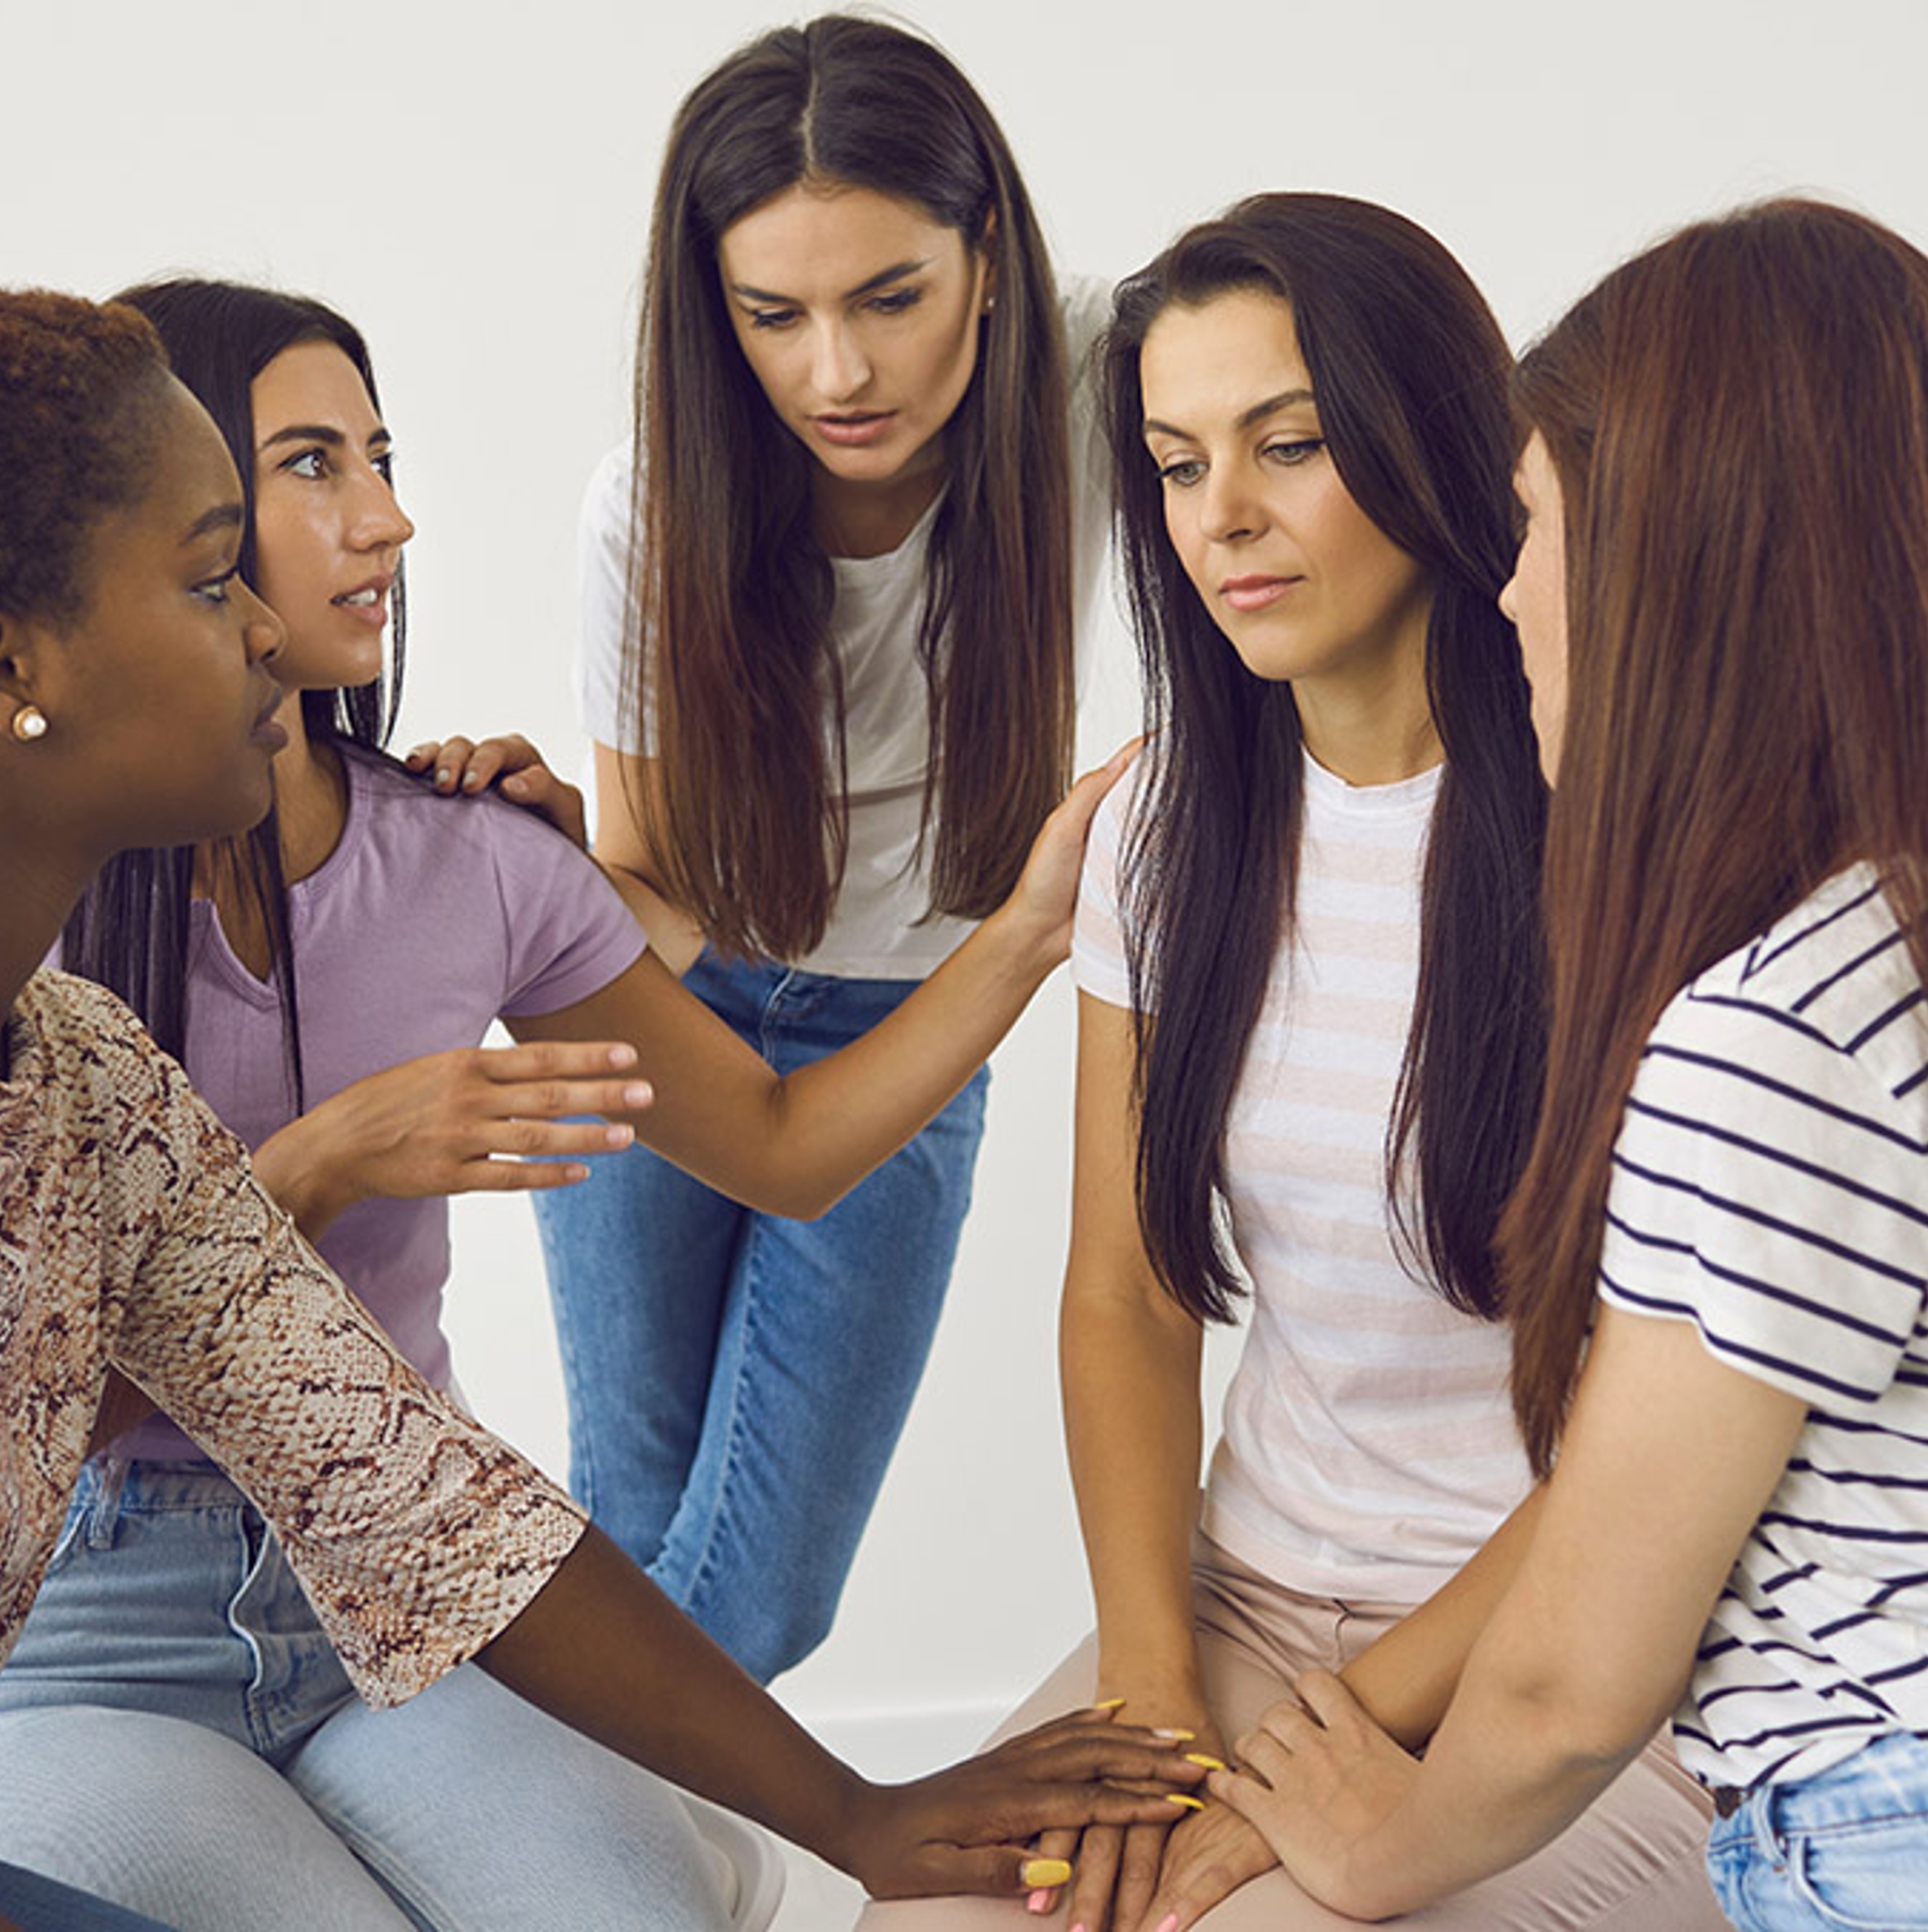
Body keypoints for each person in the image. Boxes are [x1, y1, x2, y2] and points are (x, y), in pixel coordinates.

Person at [0, 287, 1198, 1931]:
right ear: (3, 668)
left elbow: (418, 1496)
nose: (273, 629)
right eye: (211, 574)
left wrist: (864, 1817)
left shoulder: (78, 1076)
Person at [0, 275, 1132, 1932]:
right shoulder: (8, 909)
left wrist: (1029, 931)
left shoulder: (472, 856)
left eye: (381, 456)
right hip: (83, 1631)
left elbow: (785, 1152)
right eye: (312, 465)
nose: (388, 518)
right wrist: (324, 1162)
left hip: (396, 1593)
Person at [1205, 199, 1928, 1932]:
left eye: (1536, 525)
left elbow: (1576, 1682)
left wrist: (1383, 1844)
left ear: (1678, 564)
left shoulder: (1779, 1034)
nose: (1505, 592)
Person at [869, 196, 1728, 1932]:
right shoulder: (1164, 833)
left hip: (1571, 1660)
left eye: (1290, 445)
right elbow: (1124, 1293)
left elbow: (1635, 1440)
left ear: (1429, 441)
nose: (1223, 519)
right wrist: (1152, 1691)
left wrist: (1298, 1766)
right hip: (1245, 1609)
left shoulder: (1622, 845)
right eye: (1177, 467)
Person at [541, 12, 1103, 1682]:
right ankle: (550, 1822)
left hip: (906, 1029)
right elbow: (651, 884)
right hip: (673, 1022)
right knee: (631, 1514)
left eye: (889, 298)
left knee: (761, 1593)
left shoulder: (1093, 396)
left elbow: (1310, 368)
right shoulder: (652, 504)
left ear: (985, 258)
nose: (837, 374)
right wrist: (535, 873)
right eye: (772, 315)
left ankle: (511, 1802)